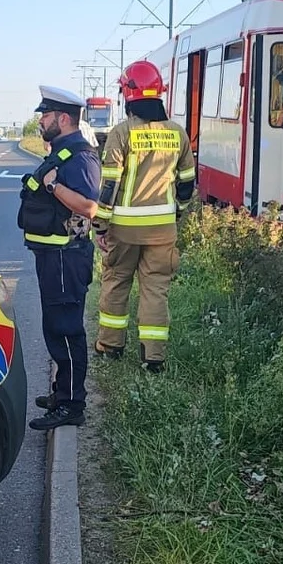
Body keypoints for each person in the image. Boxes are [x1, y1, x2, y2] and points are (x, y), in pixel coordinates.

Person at [92, 61, 196, 373]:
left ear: (127, 95)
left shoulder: (121, 134)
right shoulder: (177, 134)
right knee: (155, 290)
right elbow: (187, 182)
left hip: (124, 230)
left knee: (116, 283)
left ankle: (110, 346)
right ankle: (153, 358)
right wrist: (176, 212)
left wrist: (100, 224)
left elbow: (109, 185)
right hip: (162, 230)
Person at [17, 86, 101, 430]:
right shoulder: (61, 152)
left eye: (45, 115)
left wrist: (53, 186)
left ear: (62, 118)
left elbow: (88, 206)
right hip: (54, 257)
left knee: (66, 331)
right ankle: (62, 392)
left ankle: (71, 405)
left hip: (66, 257)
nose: (40, 121)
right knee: (55, 329)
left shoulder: (80, 156)